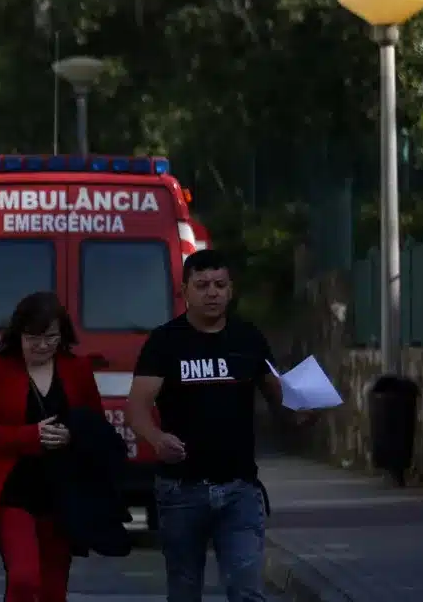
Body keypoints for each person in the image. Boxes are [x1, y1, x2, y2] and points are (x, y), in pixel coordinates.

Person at [128, 249, 304, 602]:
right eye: (203, 285)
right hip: (181, 491)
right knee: (185, 589)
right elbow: (137, 406)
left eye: (220, 285)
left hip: (239, 488)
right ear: (185, 291)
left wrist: (304, 411)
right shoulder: (165, 342)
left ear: (230, 290)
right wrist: (156, 437)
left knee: (246, 589)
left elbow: (279, 396)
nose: (212, 293)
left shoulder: (248, 339)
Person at [0, 291, 105, 602]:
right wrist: (29, 436)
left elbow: (96, 426)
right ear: (18, 334)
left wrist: (71, 436)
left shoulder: (77, 368)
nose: (42, 346)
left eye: (50, 337)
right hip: (13, 490)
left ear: (62, 335)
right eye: (33, 338)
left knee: (54, 590)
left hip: (61, 492)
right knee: (24, 579)